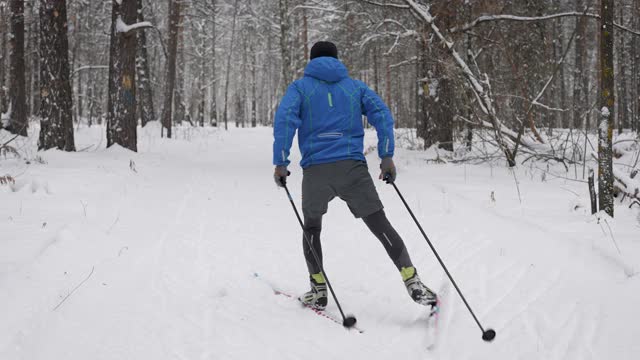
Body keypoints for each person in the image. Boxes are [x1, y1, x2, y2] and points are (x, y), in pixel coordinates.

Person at [272, 41, 437, 310]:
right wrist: (386, 155)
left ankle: (318, 288)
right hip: (352, 169)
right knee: (380, 224)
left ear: (311, 60)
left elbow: (285, 121)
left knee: (312, 228)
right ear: (337, 59)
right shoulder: (355, 87)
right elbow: (382, 114)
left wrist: (281, 162)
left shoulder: (300, 88)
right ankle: (411, 278)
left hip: (316, 171)